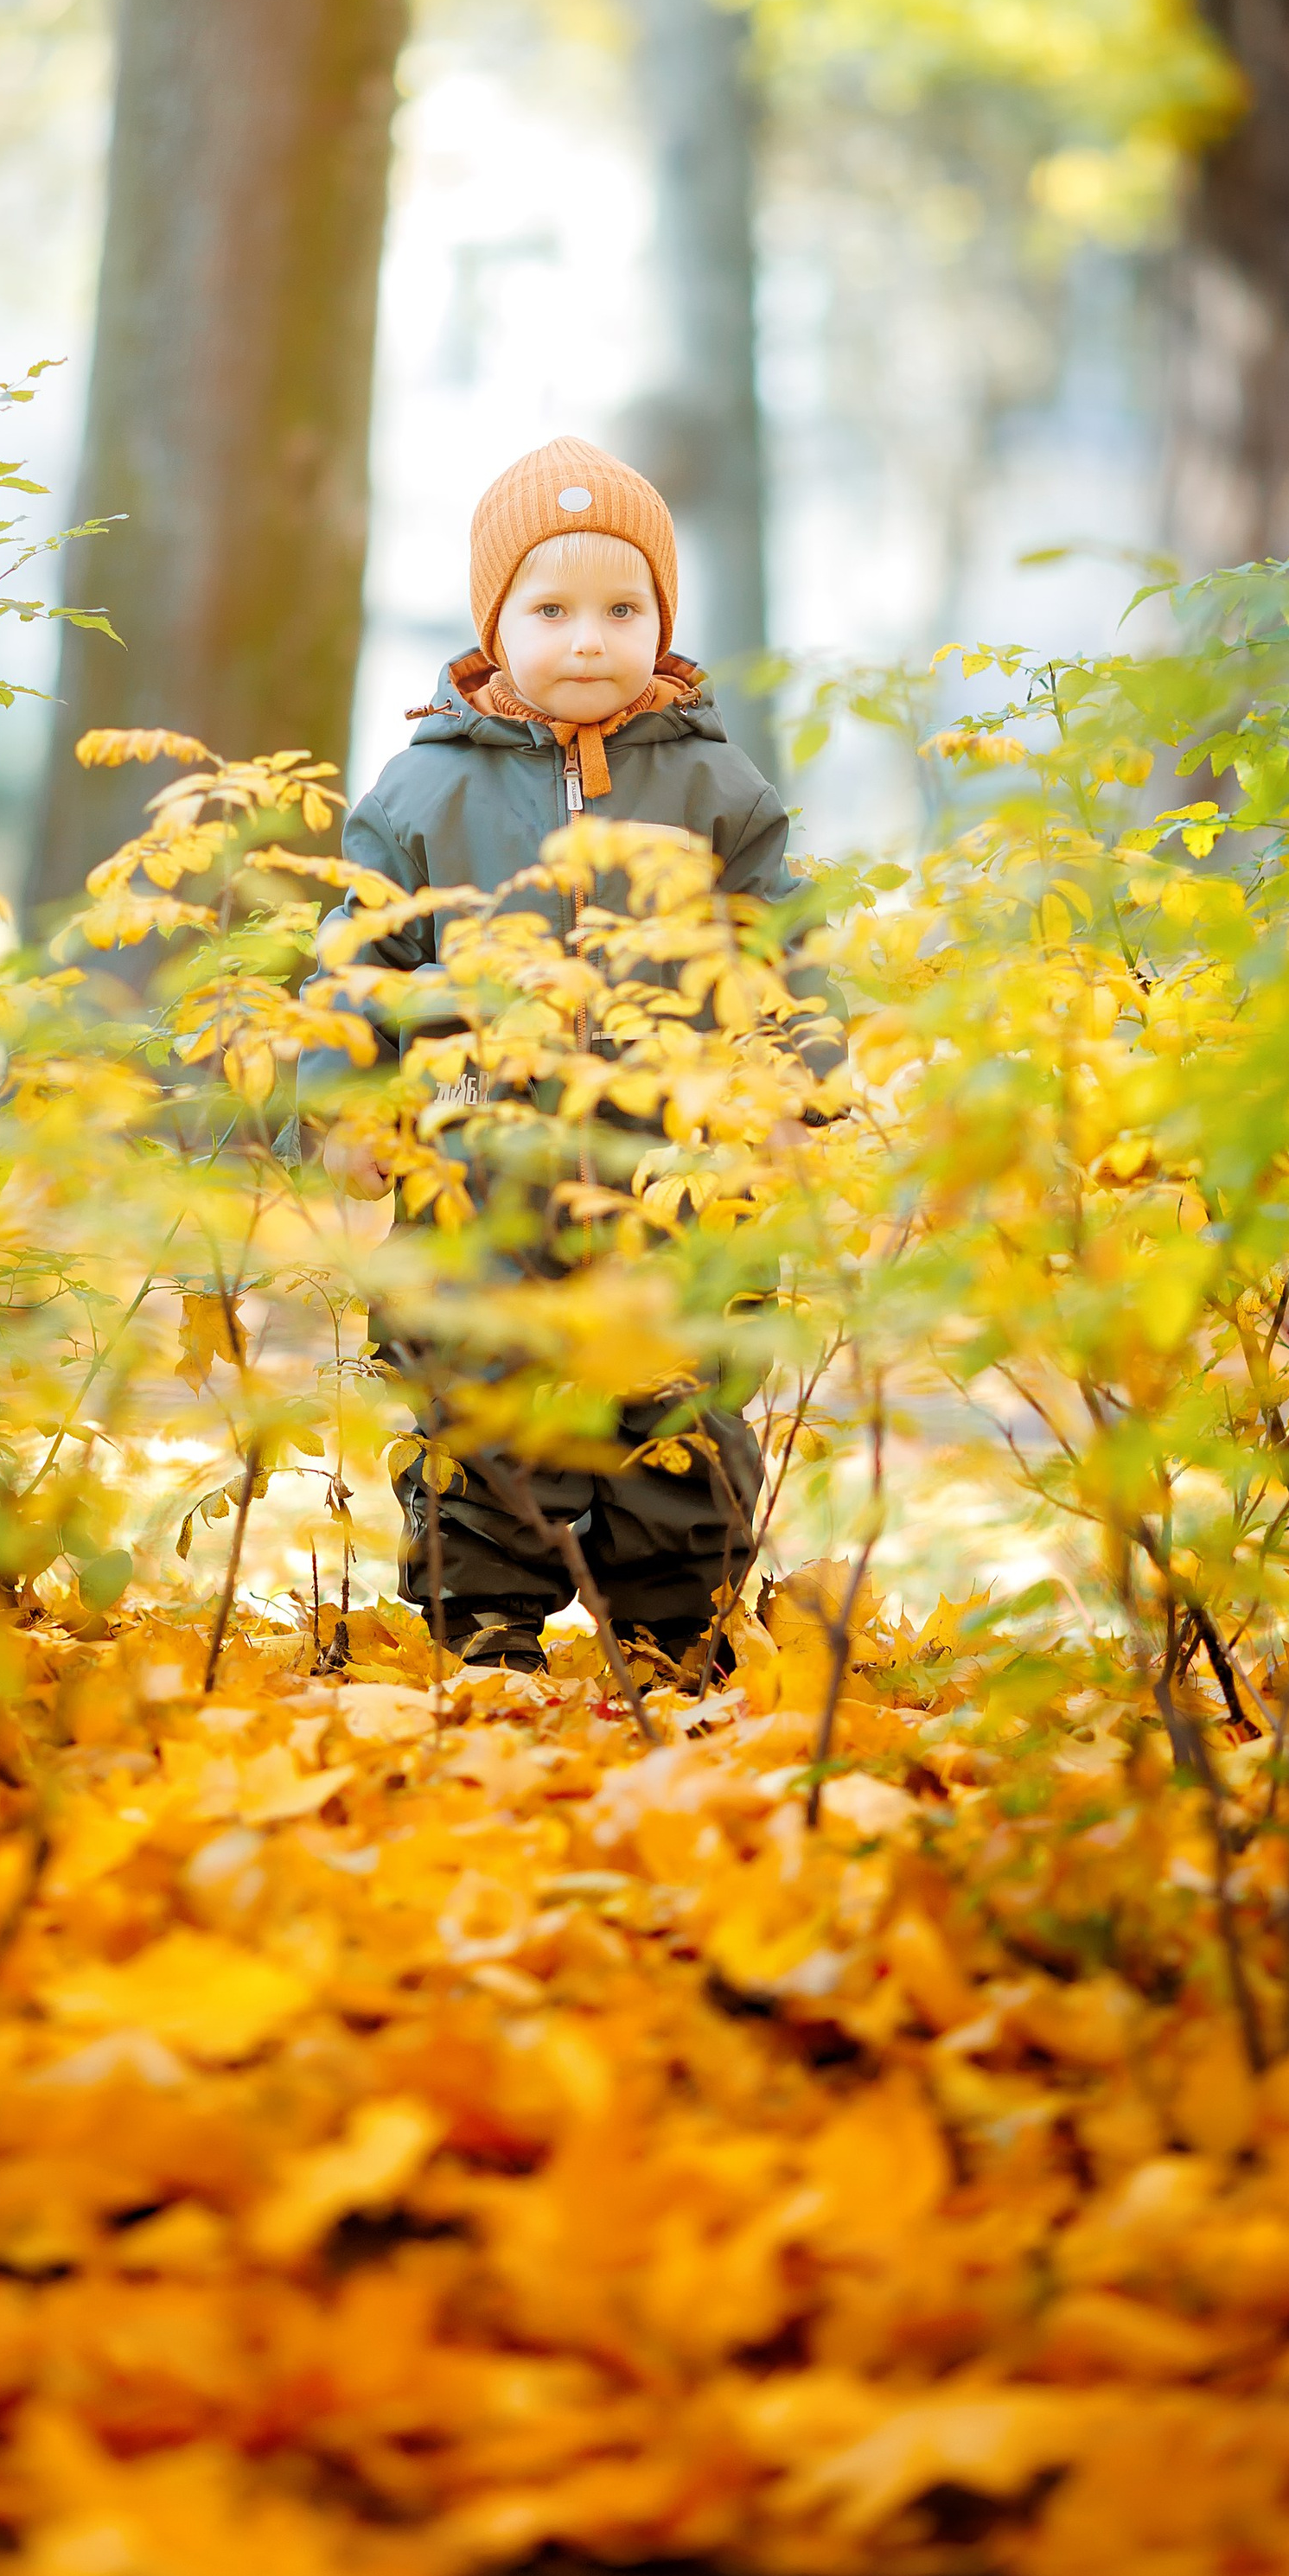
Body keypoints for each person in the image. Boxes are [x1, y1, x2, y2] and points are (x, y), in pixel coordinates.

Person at [304, 434, 791, 1679]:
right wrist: (349, 1104)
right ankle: (486, 1636)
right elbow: (355, 962)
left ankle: (676, 1632)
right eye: (553, 608)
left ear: (663, 620)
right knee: (478, 1384)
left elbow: (783, 949)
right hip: (477, 1158)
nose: (589, 638)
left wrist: (794, 1085)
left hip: (671, 1159)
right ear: (494, 624)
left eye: (623, 609)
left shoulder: (716, 787)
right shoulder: (421, 797)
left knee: (679, 1387)